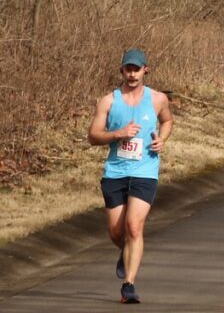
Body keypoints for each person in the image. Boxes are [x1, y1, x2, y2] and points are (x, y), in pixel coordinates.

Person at [87, 49, 173, 304]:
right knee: (116, 232)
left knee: (134, 226)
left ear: (145, 70)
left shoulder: (157, 99)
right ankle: (126, 252)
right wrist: (117, 134)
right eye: (128, 69)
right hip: (115, 171)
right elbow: (93, 136)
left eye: (137, 69)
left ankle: (129, 285)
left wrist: (162, 140)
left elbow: (167, 121)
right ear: (122, 71)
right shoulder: (108, 101)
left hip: (145, 172)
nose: (132, 74)